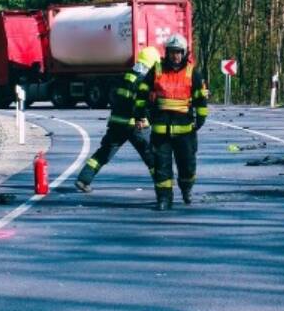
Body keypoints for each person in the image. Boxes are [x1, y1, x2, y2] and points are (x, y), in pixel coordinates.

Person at [74, 46, 161, 193]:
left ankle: (83, 179)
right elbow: (142, 105)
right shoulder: (145, 81)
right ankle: (162, 186)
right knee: (151, 156)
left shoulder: (128, 76)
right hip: (136, 125)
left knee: (104, 152)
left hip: (117, 122)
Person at [142, 34, 208, 210]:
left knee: (187, 166)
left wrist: (200, 120)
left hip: (185, 132)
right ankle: (164, 199)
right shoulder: (156, 70)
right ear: (167, 52)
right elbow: (142, 93)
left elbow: (200, 99)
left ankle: (186, 189)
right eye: (172, 52)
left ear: (184, 53)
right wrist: (143, 113)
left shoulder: (192, 72)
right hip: (161, 132)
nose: (175, 56)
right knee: (161, 167)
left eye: (178, 52)